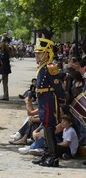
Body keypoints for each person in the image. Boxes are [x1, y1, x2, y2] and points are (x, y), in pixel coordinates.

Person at [31, 36, 66, 167]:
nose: (37, 55)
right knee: (45, 127)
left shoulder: (51, 67)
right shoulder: (43, 66)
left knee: (49, 127)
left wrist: (62, 99)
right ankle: (46, 154)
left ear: (47, 53)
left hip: (48, 101)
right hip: (43, 100)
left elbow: (57, 86)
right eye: (36, 52)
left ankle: (53, 157)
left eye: (39, 52)